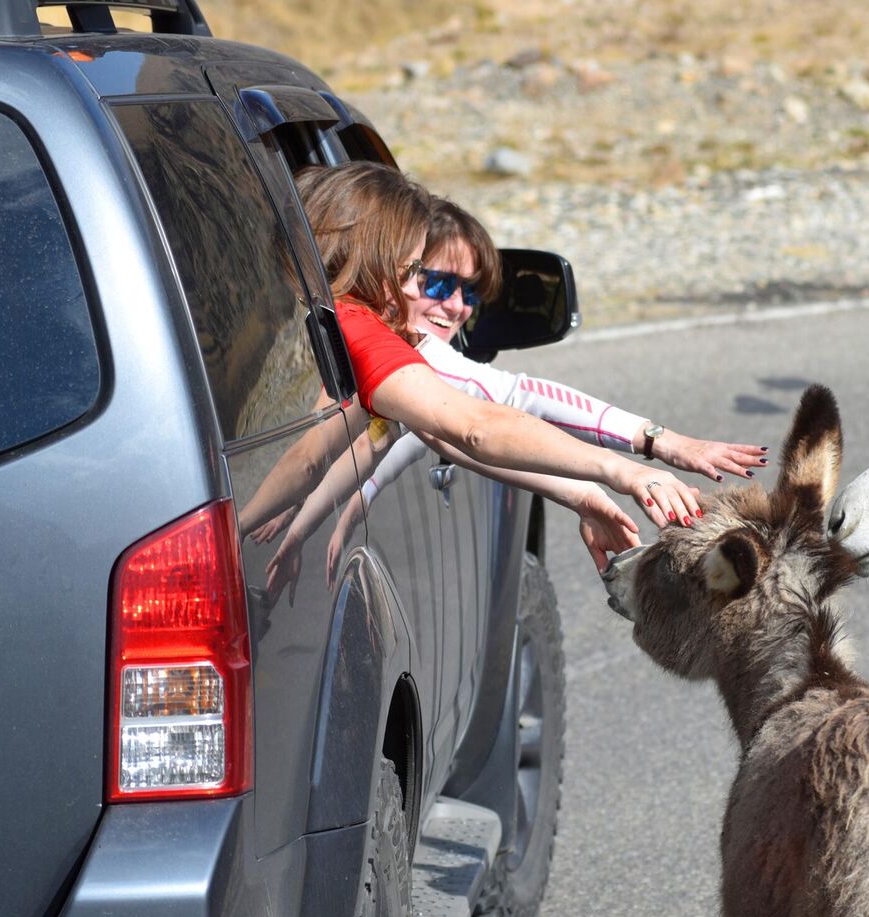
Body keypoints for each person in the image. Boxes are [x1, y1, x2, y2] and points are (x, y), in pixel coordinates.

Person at [239, 163, 698, 598]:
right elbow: (473, 426)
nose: (418, 291)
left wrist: (586, 490)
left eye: (470, 291)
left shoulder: (282, 315)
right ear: (373, 251)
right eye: (417, 271)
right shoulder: (360, 330)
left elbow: (429, 437)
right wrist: (625, 465)